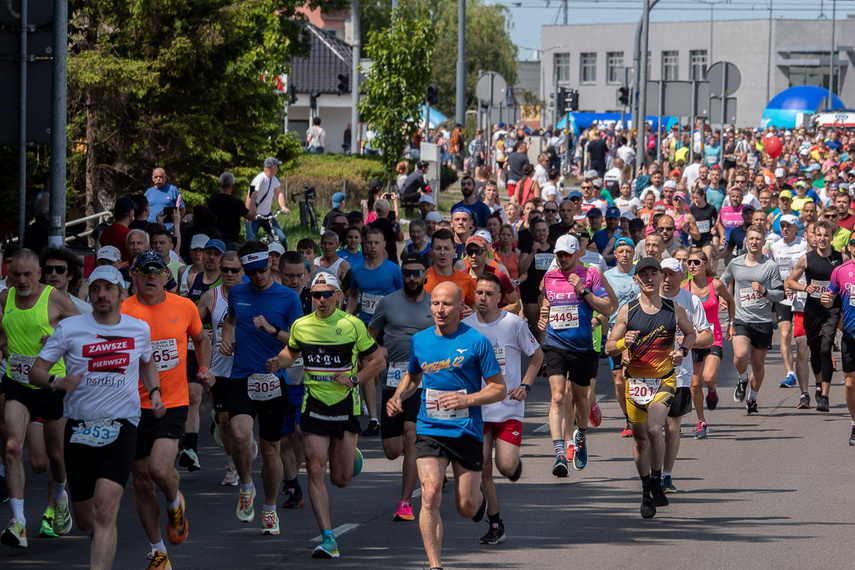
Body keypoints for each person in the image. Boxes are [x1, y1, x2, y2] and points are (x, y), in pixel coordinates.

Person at [28, 265, 165, 568]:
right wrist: (57, 382)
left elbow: (147, 361)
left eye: (108, 288)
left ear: (121, 292)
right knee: (85, 519)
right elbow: (36, 371)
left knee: (105, 510)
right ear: (88, 294)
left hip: (122, 425)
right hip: (79, 427)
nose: (101, 294)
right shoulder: (70, 328)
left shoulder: (138, 328)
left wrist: (154, 391)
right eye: (95, 289)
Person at [386, 281, 505, 570]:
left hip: (466, 430)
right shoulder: (420, 340)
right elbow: (413, 376)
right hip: (430, 428)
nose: (440, 309)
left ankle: (477, 502)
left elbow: (499, 388)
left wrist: (468, 399)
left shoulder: (476, 341)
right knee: (429, 495)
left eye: (447, 304)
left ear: (460, 307)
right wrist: (398, 396)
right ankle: (435, 565)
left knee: (466, 507)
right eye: (435, 303)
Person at [266, 273, 387, 558]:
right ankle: (328, 537)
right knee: (316, 469)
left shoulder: (352, 325)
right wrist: (277, 363)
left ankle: (349, 455)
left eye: (327, 294)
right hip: (314, 406)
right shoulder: (301, 326)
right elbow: (291, 353)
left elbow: (378, 361)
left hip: (345, 407)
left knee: (341, 480)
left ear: (338, 295)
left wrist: (355, 379)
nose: (321, 299)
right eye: (316, 295)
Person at [121, 249, 214, 568]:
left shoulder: (184, 307)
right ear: (133, 275)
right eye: (144, 271)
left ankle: (175, 504)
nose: (150, 276)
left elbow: (201, 339)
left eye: (156, 271)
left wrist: (204, 368)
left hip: (172, 402)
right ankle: (158, 551)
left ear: (166, 277)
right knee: (142, 481)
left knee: (160, 470)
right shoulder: (122, 312)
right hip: (131, 406)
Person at [218, 241, 303, 534]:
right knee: (239, 435)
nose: (258, 276)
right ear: (245, 270)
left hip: (273, 379)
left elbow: (299, 341)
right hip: (242, 376)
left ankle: (269, 509)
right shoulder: (238, 292)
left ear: (270, 264)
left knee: (270, 451)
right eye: (251, 272)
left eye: (261, 270)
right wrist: (227, 339)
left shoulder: (288, 297)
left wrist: (272, 330)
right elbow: (230, 321)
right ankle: (246, 486)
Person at [604, 257, 696, 519]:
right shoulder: (627, 311)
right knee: (640, 439)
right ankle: (647, 490)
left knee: (655, 429)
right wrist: (623, 343)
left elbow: (691, 333)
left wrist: (682, 351)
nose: (649, 278)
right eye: (643, 274)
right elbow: (608, 347)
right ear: (636, 280)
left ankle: (656, 479)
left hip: (664, 380)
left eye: (653, 273)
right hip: (635, 384)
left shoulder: (674, 309)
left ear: (660, 277)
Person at [0, 249, 79, 548]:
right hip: (18, 384)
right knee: (12, 448)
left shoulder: (55, 299)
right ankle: (18, 522)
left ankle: (59, 497)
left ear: (38, 274)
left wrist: (60, 335)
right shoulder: (5, 298)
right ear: (8, 274)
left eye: (27, 275)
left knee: (54, 458)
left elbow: (85, 331)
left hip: (51, 386)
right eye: (15, 275)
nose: (21, 280)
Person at [463, 273, 543, 544]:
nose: (483, 298)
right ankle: (496, 524)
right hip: (478, 409)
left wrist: (526, 385)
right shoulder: (465, 327)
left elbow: (537, 355)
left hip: (508, 408)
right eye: (479, 293)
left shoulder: (514, 324)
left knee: (506, 466)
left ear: (499, 298)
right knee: (483, 467)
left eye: (489, 294)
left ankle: (513, 466)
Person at [538, 235, 615, 476]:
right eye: (559, 254)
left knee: (582, 399)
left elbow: (607, 307)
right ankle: (560, 453)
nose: (562, 259)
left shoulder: (590, 274)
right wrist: (543, 313)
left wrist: (584, 291)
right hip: (555, 344)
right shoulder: (549, 277)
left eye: (567, 255)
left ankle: (580, 435)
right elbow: (547, 301)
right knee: (558, 397)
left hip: (582, 347)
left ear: (578, 253)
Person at [367, 253, 434, 522]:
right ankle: (417, 455)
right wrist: (377, 350)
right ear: (402, 274)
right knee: (392, 450)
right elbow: (369, 336)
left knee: (410, 432)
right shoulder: (387, 302)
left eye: (417, 273)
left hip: (424, 381)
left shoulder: (434, 303)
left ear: (425, 274)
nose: (412, 278)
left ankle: (405, 502)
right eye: (408, 273)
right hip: (393, 381)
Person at [659, 258, 713, 492]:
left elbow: (708, 335)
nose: (667, 279)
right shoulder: (647, 300)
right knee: (652, 429)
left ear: (682, 276)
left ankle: (666, 475)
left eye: (672, 274)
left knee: (671, 428)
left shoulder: (691, 300)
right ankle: (652, 473)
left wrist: (686, 344)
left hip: (679, 374)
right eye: (663, 274)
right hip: (648, 374)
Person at [720, 225, 786, 415]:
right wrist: (723, 297)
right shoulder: (735, 264)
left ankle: (752, 399)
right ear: (746, 241)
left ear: (763, 242)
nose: (754, 242)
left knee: (758, 364)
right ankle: (742, 379)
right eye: (751, 239)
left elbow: (780, 294)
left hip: (763, 320)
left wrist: (764, 291)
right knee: (740, 355)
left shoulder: (770, 266)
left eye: (758, 239)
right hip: (741, 318)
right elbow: (722, 281)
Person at [347, 228, 404, 435]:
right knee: (367, 364)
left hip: (389, 327)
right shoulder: (357, 270)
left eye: (376, 243)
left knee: (377, 370)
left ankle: (391, 410)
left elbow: (403, 295)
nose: (372, 246)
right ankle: (373, 420)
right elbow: (353, 295)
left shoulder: (393, 270)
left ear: (383, 245)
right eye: (369, 242)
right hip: (366, 327)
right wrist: (347, 316)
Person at [177, 238, 225, 472]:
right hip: (194, 345)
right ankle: (190, 450)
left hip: (220, 349)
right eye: (208, 252)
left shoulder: (228, 281)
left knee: (215, 397)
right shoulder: (191, 279)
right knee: (193, 394)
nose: (211, 257)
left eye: (216, 254)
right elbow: (189, 315)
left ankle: (218, 416)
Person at [785, 220, 843, 413]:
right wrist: (805, 288)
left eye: (826, 235)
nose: (822, 238)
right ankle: (818, 383)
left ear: (832, 237)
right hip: (812, 310)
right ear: (814, 237)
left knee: (826, 348)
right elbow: (790, 282)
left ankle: (825, 397)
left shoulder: (840, 258)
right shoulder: (806, 259)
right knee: (816, 351)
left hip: (832, 310)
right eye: (819, 235)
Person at [196, 251, 244, 486]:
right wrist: (201, 336)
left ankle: (245, 445)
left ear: (242, 271)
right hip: (219, 368)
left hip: (244, 367)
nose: (229, 274)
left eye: (234, 270)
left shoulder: (251, 295)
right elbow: (191, 324)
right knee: (224, 420)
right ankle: (232, 464)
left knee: (240, 420)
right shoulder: (210, 296)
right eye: (225, 269)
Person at [684, 249, 734, 439]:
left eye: (696, 262)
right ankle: (701, 421)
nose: (692, 266)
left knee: (709, 376)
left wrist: (731, 323)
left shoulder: (716, 285)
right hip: (692, 338)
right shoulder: (683, 287)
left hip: (713, 337)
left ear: (705, 264)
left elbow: (730, 301)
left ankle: (712, 390)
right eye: (689, 262)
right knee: (695, 384)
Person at [603, 237, 640, 438]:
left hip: (639, 332)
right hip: (615, 332)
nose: (625, 254)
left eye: (628, 251)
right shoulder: (607, 276)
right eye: (621, 251)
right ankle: (628, 417)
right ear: (615, 255)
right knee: (619, 381)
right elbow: (603, 304)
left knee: (633, 376)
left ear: (634, 254)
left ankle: (640, 416)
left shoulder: (641, 273)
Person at [769, 214, 809, 390]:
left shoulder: (804, 244)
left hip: (802, 294)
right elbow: (770, 270)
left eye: (788, 226)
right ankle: (790, 373)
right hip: (783, 294)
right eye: (782, 226)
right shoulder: (775, 246)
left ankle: (805, 365)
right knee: (784, 333)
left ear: (796, 228)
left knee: (802, 339)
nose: (785, 229)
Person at [822, 237, 855, 443]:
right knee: (850, 384)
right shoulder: (840, 271)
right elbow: (829, 299)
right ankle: (854, 423)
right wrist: (826, 301)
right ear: (850, 246)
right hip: (850, 336)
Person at [425, 228, 476, 308]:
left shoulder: (466, 280)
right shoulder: (422, 278)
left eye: (447, 248)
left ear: (454, 251)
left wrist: (471, 313)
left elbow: (474, 307)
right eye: (438, 248)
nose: (442, 253)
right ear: (431, 251)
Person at [245, 157, 290, 244]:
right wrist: (248, 215)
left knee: (281, 238)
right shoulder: (259, 179)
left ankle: (282, 253)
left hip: (267, 215)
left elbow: (279, 192)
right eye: (277, 166)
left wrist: (283, 207)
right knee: (251, 242)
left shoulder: (273, 179)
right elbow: (249, 196)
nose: (277, 169)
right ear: (273, 167)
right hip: (255, 216)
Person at [208, 172, 257, 248]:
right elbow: (251, 217)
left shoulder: (212, 200)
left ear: (219, 184)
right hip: (232, 240)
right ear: (233, 186)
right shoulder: (237, 203)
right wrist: (253, 200)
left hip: (214, 237)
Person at [40, 247, 92, 315]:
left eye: (60, 269)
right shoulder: (30, 305)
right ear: (44, 274)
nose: (53, 274)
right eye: (48, 269)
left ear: (70, 275)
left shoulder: (85, 310)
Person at [100, 196, 137, 261]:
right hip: (123, 266)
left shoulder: (105, 232)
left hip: (107, 266)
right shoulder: (128, 235)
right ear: (130, 213)